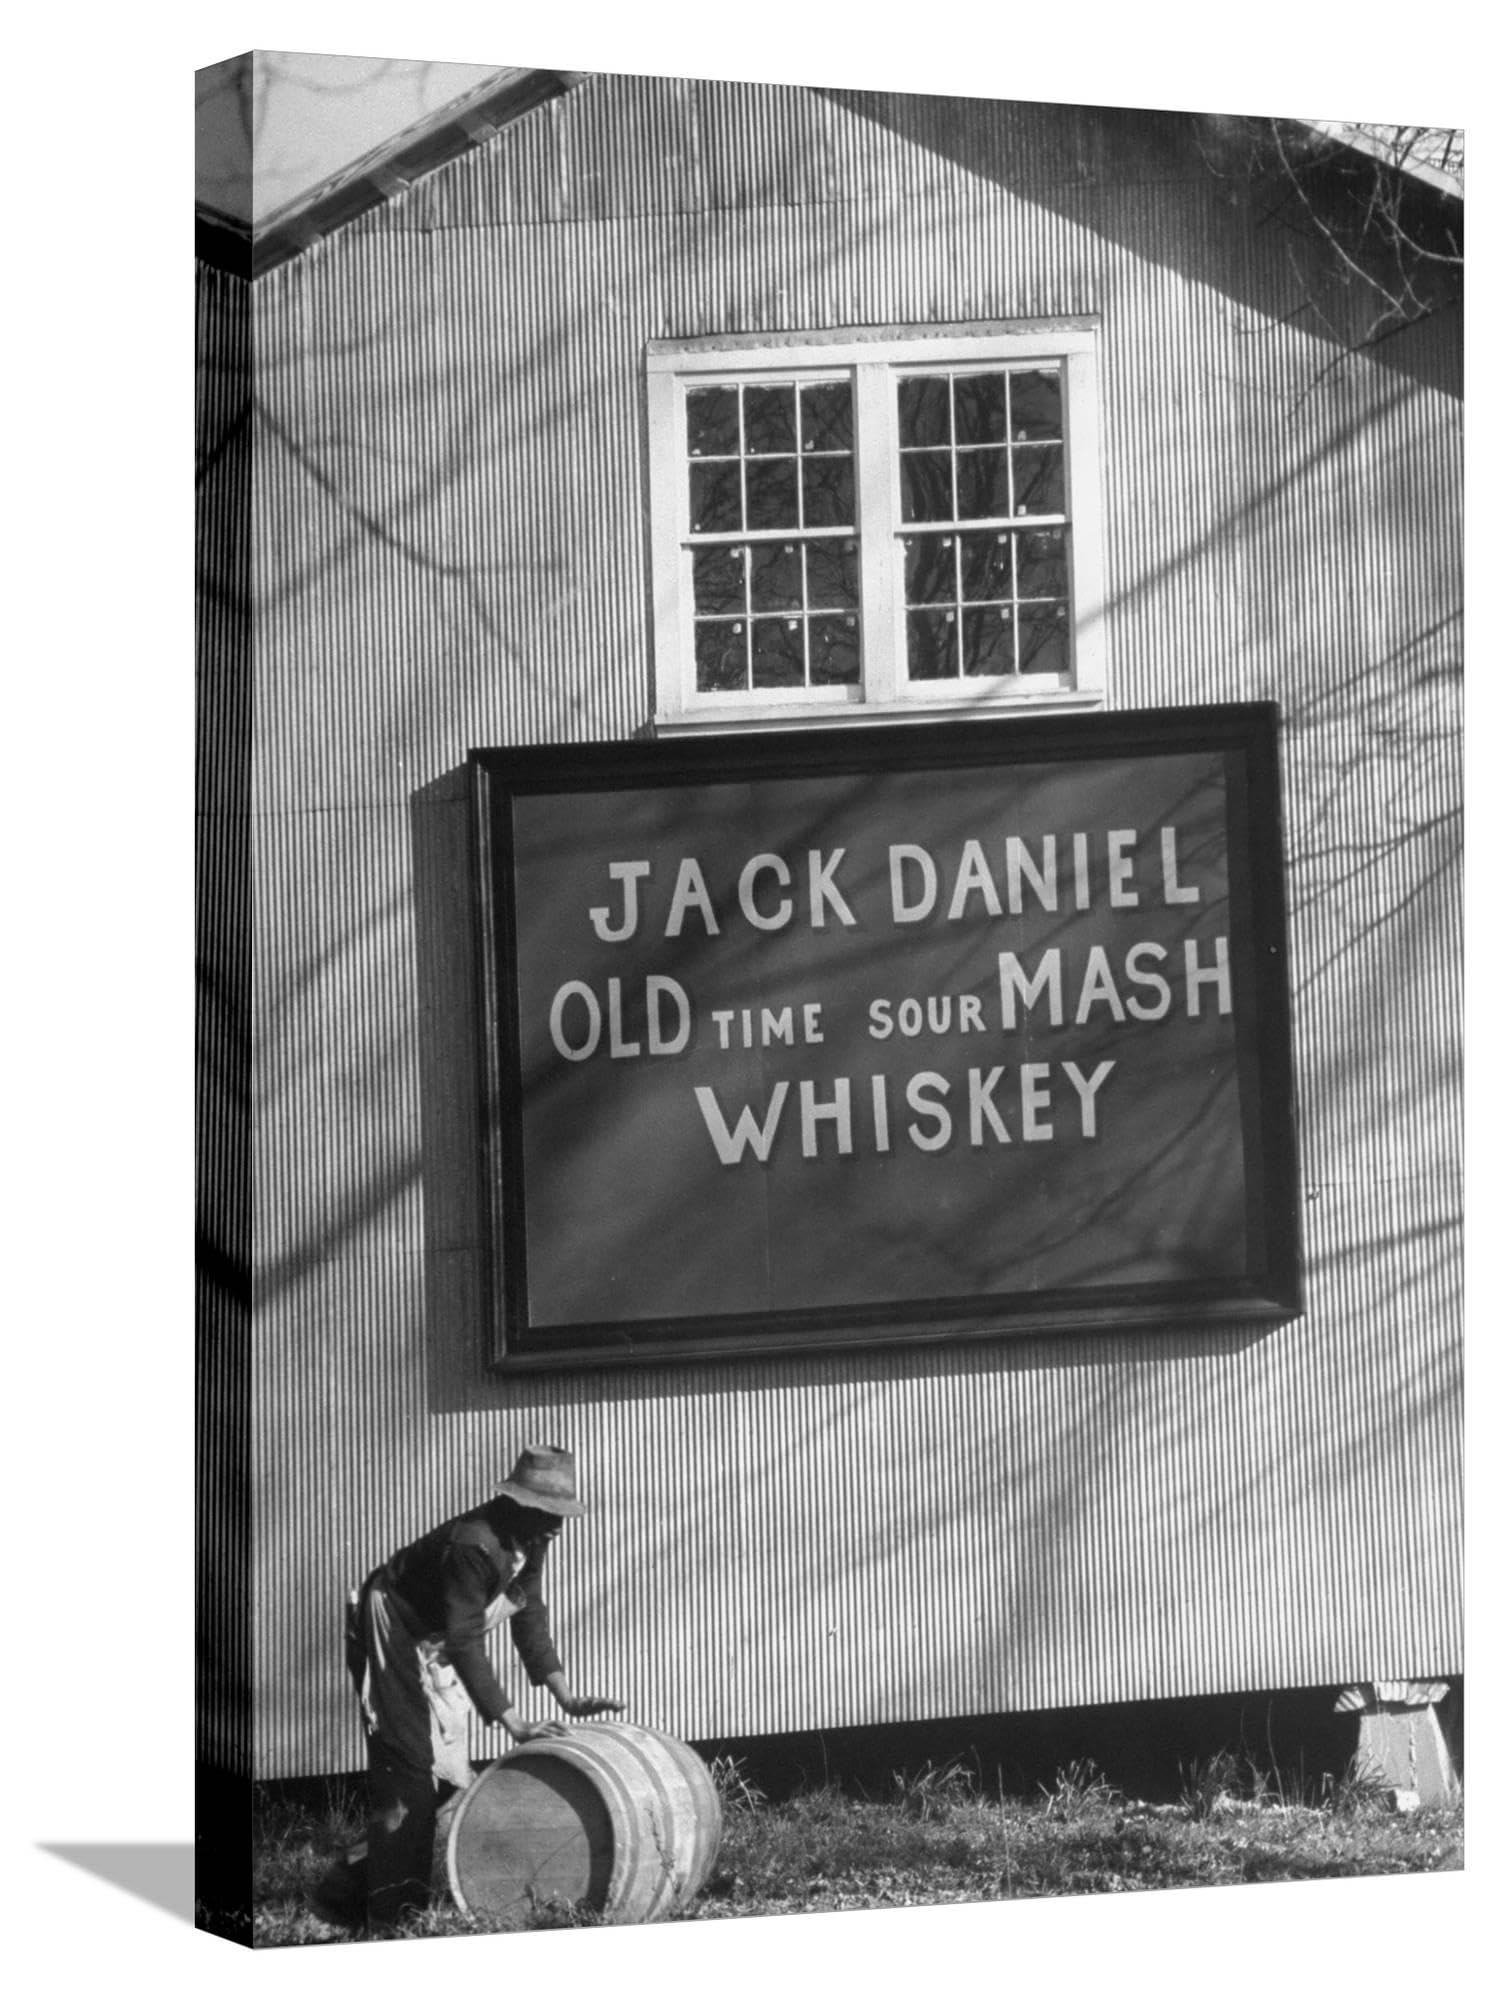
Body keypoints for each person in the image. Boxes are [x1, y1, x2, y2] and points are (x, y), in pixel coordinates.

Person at [315, 1442, 624, 1932]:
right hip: (393, 1631)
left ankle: (347, 1887)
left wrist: (564, 1695)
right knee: (409, 1777)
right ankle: (390, 1919)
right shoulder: (474, 1545)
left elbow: (528, 1612)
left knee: (448, 1780)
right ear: (519, 1504)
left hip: (433, 1640)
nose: (558, 1526)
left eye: (562, 1514)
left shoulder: (531, 1537)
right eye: (549, 1512)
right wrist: (515, 1723)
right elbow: (465, 1641)